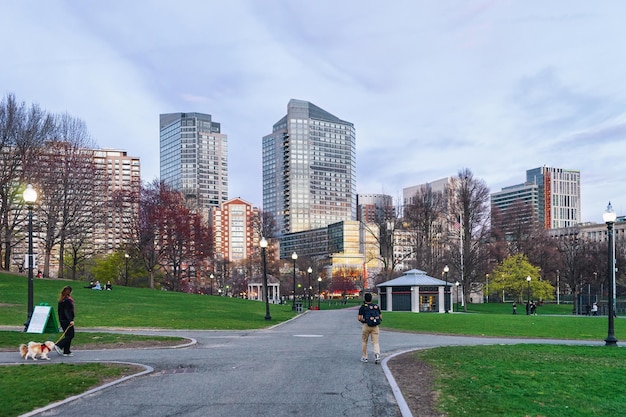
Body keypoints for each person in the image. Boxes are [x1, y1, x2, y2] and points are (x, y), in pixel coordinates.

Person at [357, 293, 382, 364]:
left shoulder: (363, 307)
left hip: (366, 325)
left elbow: (359, 318)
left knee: (364, 341)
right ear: (371, 298)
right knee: (375, 342)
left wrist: (363, 321)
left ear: (365, 299)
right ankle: (377, 355)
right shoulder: (376, 306)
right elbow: (380, 317)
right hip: (375, 326)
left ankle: (365, 357)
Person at [55, 286, 75, 356]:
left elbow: (60, 312)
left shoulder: (61, 300)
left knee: (68, 335)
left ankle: (66, 351)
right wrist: (70, 320)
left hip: (62, 320)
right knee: (71, 335)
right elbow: (67, 311)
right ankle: (59, 345)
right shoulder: (67, 301)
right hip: (67, 320)